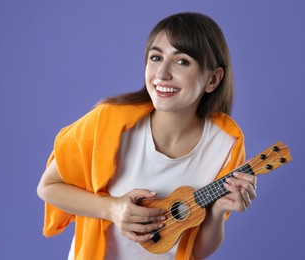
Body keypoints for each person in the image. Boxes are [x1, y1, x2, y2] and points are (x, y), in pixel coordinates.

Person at [37, 12, 257, 260]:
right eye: (155, 57)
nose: (162, 73)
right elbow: (48, 186)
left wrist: (218, 211)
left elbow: (196, 250)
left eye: (182, 61)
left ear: (213, 79)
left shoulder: (225, 145)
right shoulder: (109, 122)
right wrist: (113, 209)